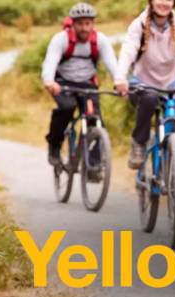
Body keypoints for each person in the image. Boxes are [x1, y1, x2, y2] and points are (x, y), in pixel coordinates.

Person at [114, 0, 175, 217]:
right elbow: (128, 51)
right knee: (148, 98)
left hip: (174, 83)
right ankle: (139, 141)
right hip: (143, 82)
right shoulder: (138, 25)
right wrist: (120, 77)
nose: (164, 2)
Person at [42, 2, 118, 172]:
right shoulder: (61, 39)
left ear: (93, 24)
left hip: (87, 84)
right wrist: (49, 80)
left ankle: (93, 164)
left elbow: (113, 64)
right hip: (62, 83)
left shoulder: (100, 40)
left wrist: (121, 81)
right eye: (80, 23)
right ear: (73, 24)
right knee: (66, 108)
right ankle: (54, 145)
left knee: (95, 120)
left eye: (87, 23)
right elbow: (50, 62)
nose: (84, 28)